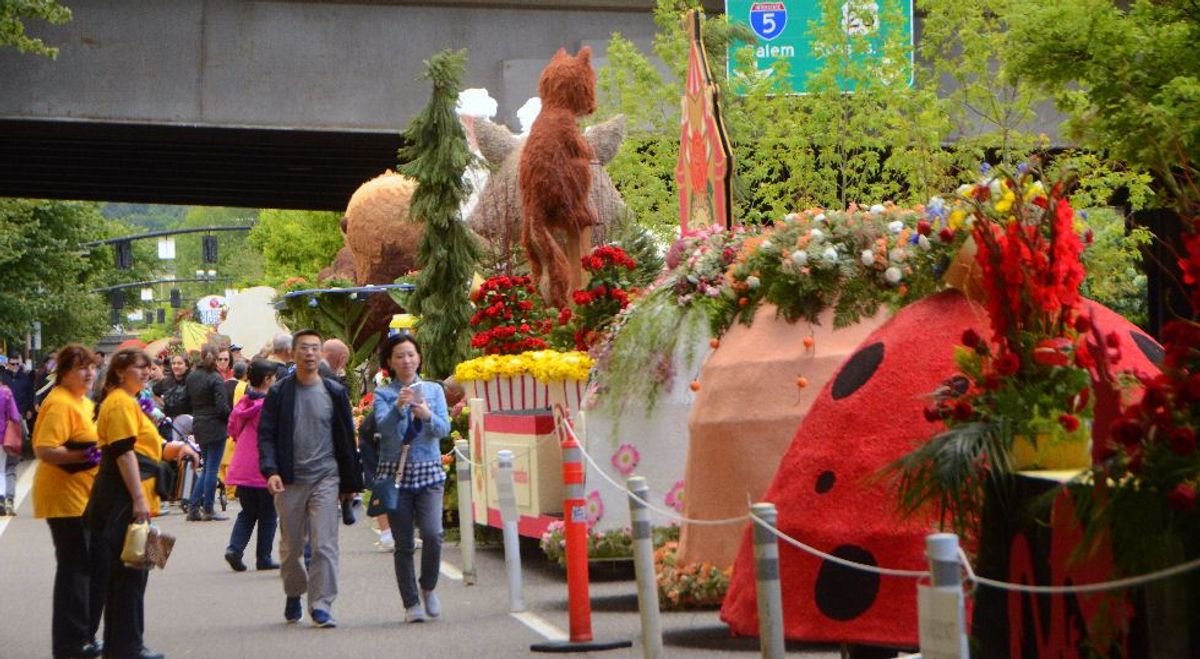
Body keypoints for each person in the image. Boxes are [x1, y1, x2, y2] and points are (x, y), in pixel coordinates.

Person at [90, 348, 197, 659]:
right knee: (130, 574)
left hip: (137, 499)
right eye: (141, 367)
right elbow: (124, 453)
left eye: (149, 367)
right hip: (124, 500)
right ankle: (127, 646)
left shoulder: (131, 401)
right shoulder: (120, 402)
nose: (148, 372)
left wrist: (174, 448)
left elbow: (145, 446)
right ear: (121, 371)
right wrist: (137, 500)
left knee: (137, 571)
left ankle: (126, 643)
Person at [258, 329, 361, 628]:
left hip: (325, 477)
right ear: (293, 353)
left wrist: (350, 484)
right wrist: (271, 470)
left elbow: (345, 439)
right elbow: (266, 436)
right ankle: (294, 592)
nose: (310, 353)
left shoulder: (334, 391)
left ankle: (321, 604)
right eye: (304, 348)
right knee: (291, 548)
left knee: (325, 544)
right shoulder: (279, 393)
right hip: (289, 479)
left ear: (322, 354)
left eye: (315, 348)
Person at [31, 345, 104, 659]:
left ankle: (81, 636)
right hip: (65, 497)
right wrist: (82, 455)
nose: (89, 374)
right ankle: (71, 643)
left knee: (85, 566)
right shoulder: (60, 402)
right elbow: (45, 449)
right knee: (75, 567)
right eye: (81, 368)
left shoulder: (83, 402)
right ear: (64, 373)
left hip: (84, 496)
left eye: (92, 367)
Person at [373, 334, 450, 623]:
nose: (406, 361)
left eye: (410, 355)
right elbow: (384, 429)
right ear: (390, 363)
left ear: (418, 357)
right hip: (397, 475)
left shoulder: (433, 390)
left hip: (429, 471)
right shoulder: (384, 394)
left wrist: (428, 415)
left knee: (433, 534)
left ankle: (428, 587)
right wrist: (398, 408)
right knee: (403, 543)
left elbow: (442, 430)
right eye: (399, 356)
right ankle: (411, 603)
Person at [224, 360, 280, 572]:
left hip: (242, 466)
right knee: (268, 515)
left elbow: (232, 429)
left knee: (247, 512)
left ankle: (235, 548)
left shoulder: (243, 403)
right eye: (274, 377)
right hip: (263, 467)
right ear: (267, 379)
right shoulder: (269, 406)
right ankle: (263, 557)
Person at [185, 345, 232, 522]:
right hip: (215, 426)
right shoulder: (215, 378)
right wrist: (230, 417)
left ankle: (194, 507)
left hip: (198, 423)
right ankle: (208, 508)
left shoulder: (192, 376)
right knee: (212, 468)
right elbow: (221, 407)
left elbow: (187, 399)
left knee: (206, 468)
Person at [3, 352, 35, 511]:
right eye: (12, 364)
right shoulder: (7, 393)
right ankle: (8, 499)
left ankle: (3, 499)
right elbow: (15, 416)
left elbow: (30, 394)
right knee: (10, 467)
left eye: (17, 364)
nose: (14, 367)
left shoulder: (24, 379)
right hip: (9, 434)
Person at [152, 354, 190, 420]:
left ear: (186, 366)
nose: (176, 366)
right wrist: (164, 404)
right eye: (173, 363)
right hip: (170, 420)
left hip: (188, 420)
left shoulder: (192, 380)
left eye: (179, 363)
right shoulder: (166, 381)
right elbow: (154, 393)